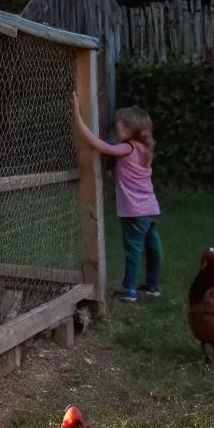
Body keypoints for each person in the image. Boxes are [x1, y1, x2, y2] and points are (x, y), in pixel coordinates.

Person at [73, 96, 162, 304]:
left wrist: (77, 118)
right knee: (153, 248)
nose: (115, 127)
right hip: (150, 209)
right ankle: (153, 286)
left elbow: (100, 146)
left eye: (119, 125)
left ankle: (129, 289)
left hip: (134, 210)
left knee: (133, 250)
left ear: (132, 129)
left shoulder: (127, 148)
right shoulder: (145, 149)